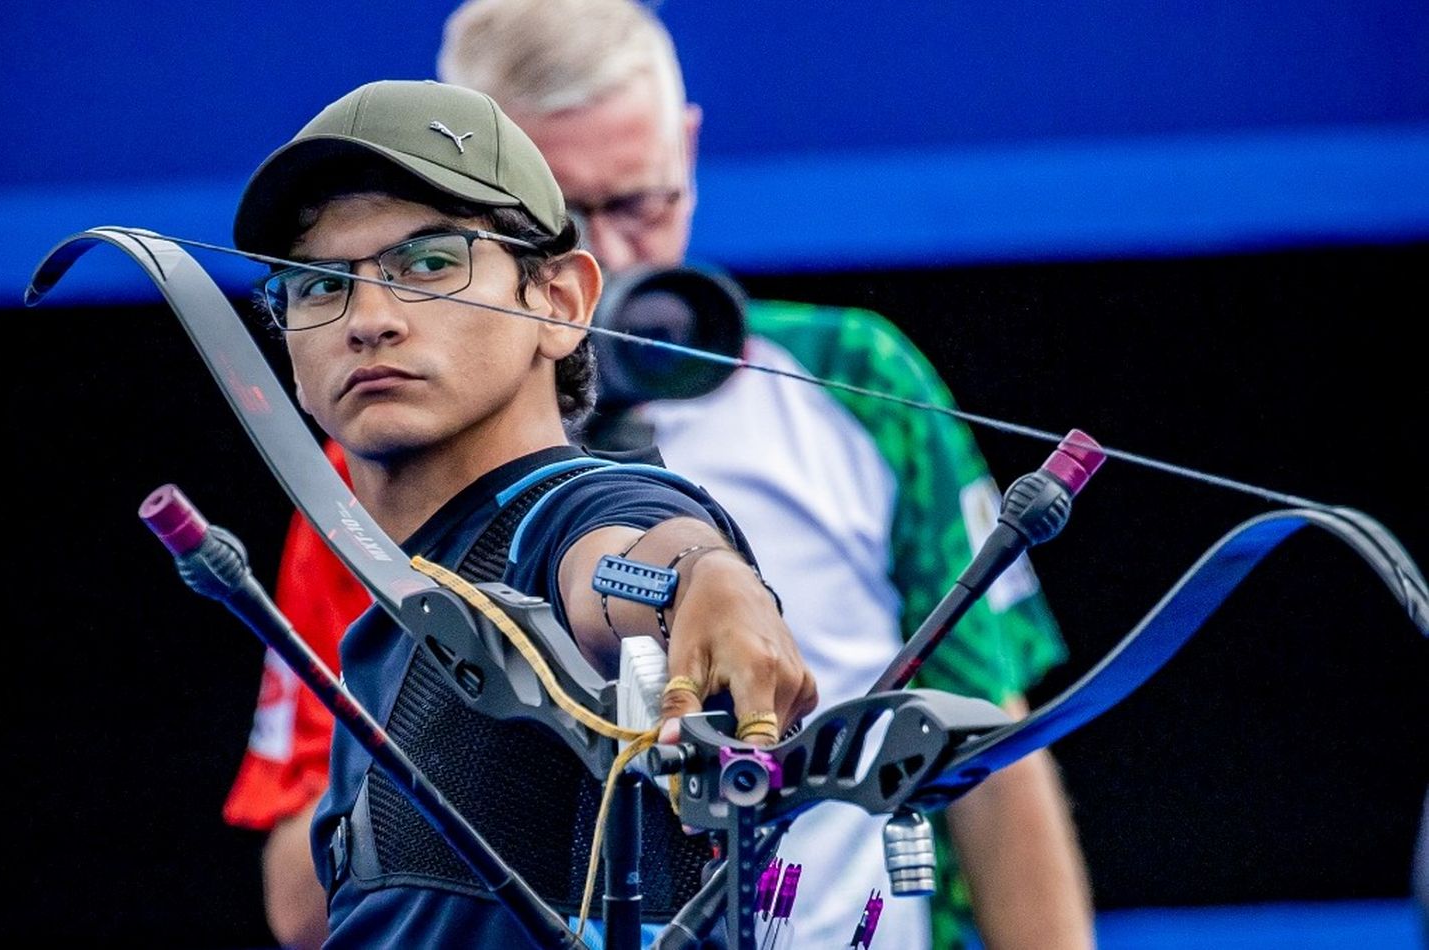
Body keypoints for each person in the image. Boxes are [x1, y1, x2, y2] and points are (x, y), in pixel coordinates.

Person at [226, 3, 1095, 948]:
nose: (611, 253)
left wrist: (706, 585)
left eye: (642, 203)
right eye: (567, 212)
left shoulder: (857, 381)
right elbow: (311, 894)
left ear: (685, 148)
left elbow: (986, 744)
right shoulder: (373, 479)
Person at [226, 77, 816, 947]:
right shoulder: (403, 602)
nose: (369, 319)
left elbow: (625, 556)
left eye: (429, 263)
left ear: (562, 302)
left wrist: (704, 582)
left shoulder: (563, 512)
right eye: (318, 286)